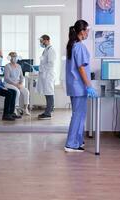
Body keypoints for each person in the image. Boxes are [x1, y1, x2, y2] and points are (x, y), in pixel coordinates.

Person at [64, 20, 98, 153]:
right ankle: (71, 144)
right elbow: (81, 68)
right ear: (82, 31)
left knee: (79, 115)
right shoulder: (79, 46)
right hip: (79, 87)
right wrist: (89, 86)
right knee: (78, 115)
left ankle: (77, 142)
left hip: (75, 86)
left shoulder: (73, 45)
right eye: (87, 30)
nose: (88, 33)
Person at [37, 35, 56, 120]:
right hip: (45, 74)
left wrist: (41, 69)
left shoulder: (51, 50)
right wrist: (40, 67)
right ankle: (48, 110)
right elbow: (44, 62)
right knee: (47, 93)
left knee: (49, 93)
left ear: (47, 40)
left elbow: (51, 64)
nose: (41, 43)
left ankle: (48, 113)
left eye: (42, 41)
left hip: (48, 75)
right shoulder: (46, 50)